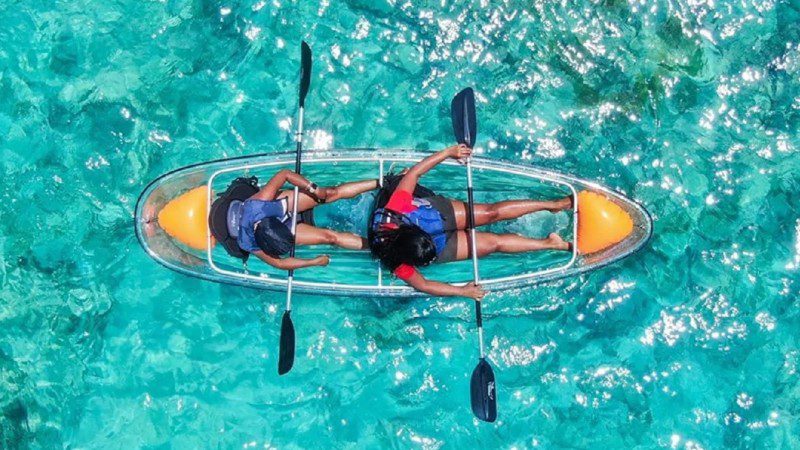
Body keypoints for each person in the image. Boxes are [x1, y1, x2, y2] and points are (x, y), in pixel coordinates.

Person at [368, 144, 572, 300]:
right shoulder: (393, 260)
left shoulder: (396, 209)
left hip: (433, 215)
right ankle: (550, 243)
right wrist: (462, 291)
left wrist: (448, 152)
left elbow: (415, 173)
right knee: (493, 244)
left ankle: (553, 205)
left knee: (491, 212)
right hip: (442, 246)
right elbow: (424, 285)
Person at [233, 169, 378, 270]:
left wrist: (313, 188)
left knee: (331, 194)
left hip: (274, 207)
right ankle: (378, 246)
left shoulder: (257, 205)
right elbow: (280, 264)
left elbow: (285, 174)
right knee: (330, 238)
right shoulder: (248, 242)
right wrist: (314, 262)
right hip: (271, 227)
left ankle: (382, 182)